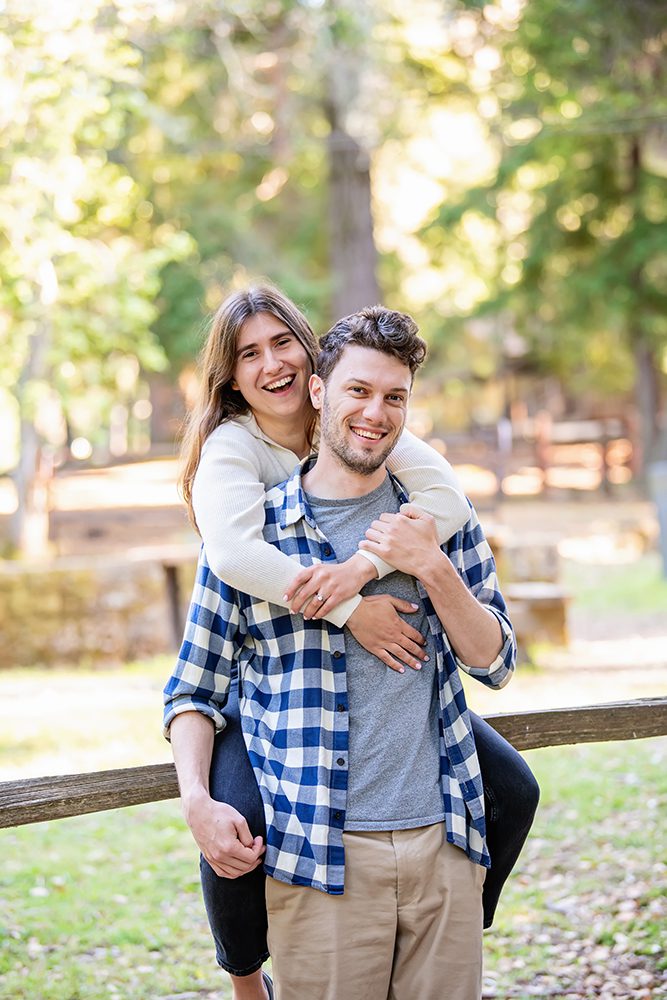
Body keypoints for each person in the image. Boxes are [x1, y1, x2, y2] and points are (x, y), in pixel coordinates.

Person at [164, 297, 538, 1000]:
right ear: (321, 391)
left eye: (394, 397)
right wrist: (196, 801)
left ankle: (473, 899)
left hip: (444, 847)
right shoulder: (242, 504)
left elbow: (496, 663)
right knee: (237, 820)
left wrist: (428, 566)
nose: (374, 411)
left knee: (515, 788)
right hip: (318, 854)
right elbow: (194, 686)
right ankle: (244, 976)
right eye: (358, 391)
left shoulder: (428, 511)